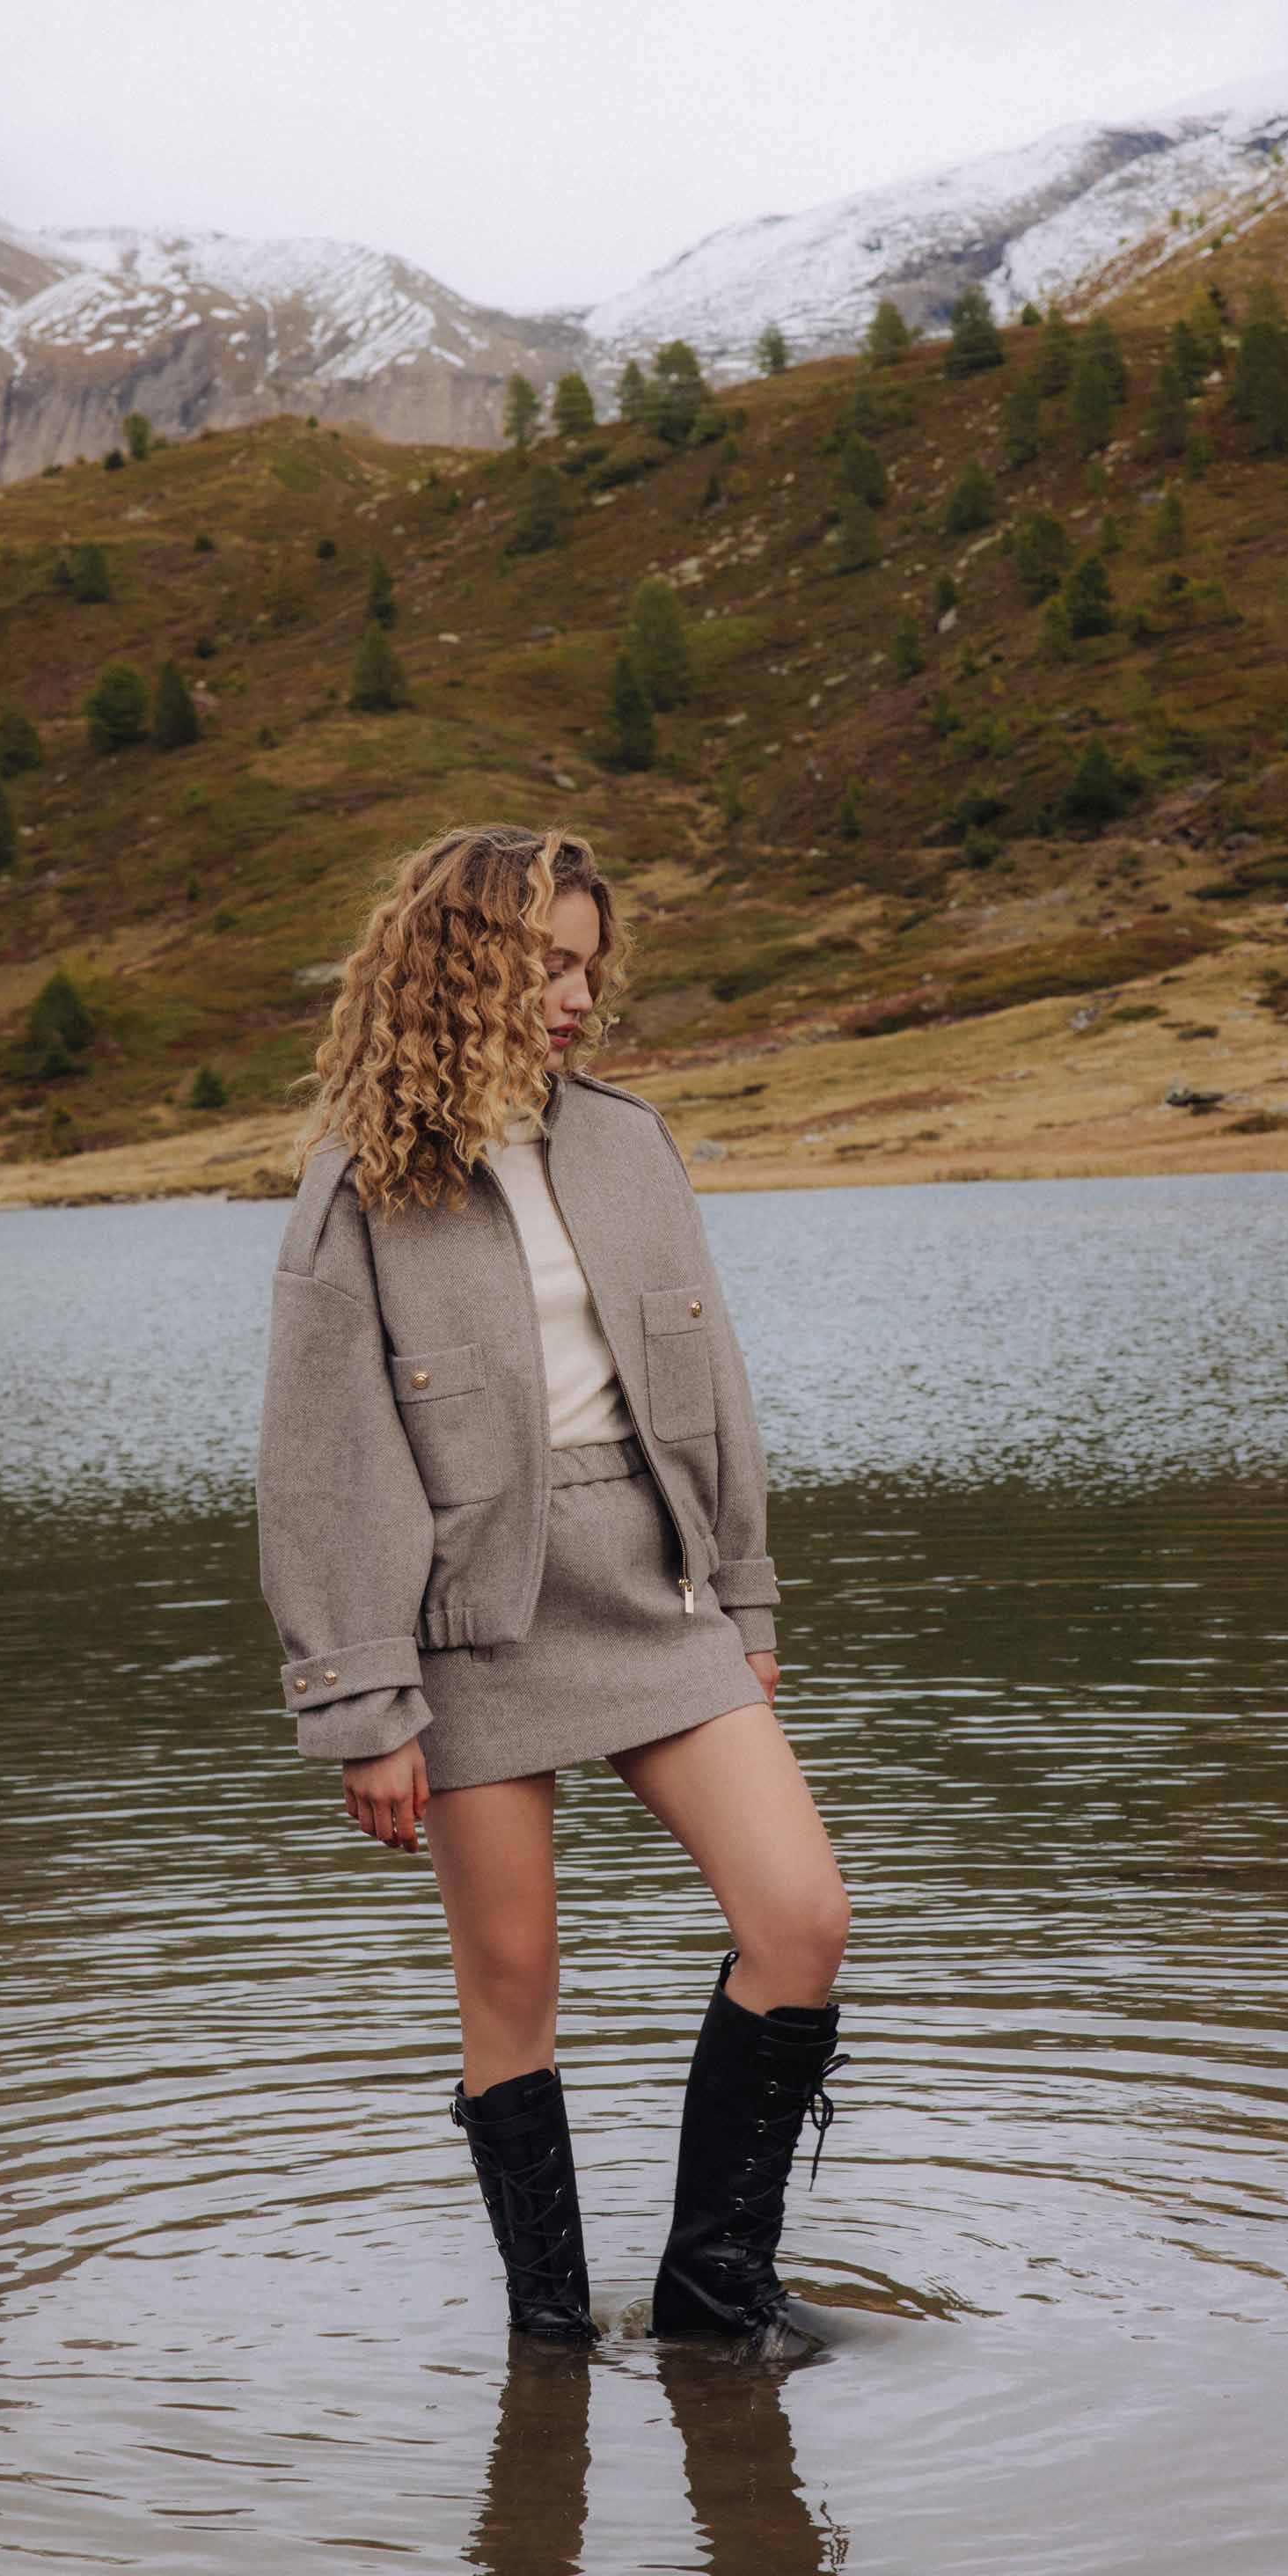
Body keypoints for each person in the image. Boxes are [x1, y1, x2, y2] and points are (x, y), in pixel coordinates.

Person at [254, 822, 850, 2350]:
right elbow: (330, 1459)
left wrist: (746, 1598)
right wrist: (368, 1699)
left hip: (655, 1590)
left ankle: (719, 2290)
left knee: (802, 1916)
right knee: (512, 1983)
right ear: (458, 969)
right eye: (545, 964)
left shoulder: (630, 1143)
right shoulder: (358, 1187)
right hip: (469, 1626)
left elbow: (710, 1384)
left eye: (589, 966)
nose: (578, 995)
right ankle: (550, 2329)